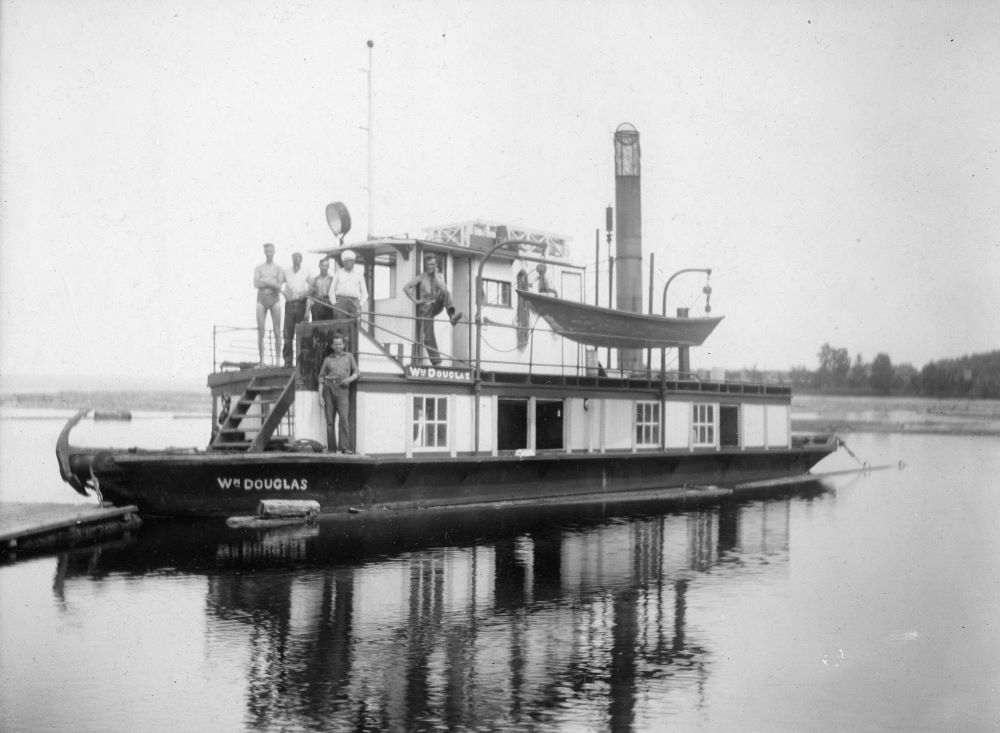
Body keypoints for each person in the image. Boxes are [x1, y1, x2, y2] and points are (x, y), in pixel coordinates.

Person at [403, 253, 463, 366]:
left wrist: (435, 276)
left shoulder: (439, 276)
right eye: (428, 264)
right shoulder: (421, 277)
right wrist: (416, 301)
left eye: (432, 264)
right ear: (425, 265)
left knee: (446, 292)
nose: (430, 267)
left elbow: (443, 289)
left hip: (436, 305)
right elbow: (405, 288)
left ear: (436, 265)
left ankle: (452, 316)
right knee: (428, 335)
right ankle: (436, 362)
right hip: (425, 308)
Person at [317, 335, 359, 453]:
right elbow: (321, 378)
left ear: (343, 345)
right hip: (328, 389)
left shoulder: (349, 357)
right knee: (330, 421)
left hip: (343, 388)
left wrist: (349, 380)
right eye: (336, 344)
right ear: (332, 346)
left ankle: (344, 447)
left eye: (340, 344)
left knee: (344, 419)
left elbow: (356, 372)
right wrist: (320, 396)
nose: (338, 346)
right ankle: (331, 448)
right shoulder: (327, 359)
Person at [254, 243, 284, 366]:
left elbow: (279, 286)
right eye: (267, 251)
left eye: (271, 251)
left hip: (274, 299)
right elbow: (256, 284)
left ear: (274, 251)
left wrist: (264, 280)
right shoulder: (259, 268)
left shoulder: (278, 268)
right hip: (261, 298)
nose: (269, 253)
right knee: (261, 330)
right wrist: (271, 282)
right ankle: (262, 361)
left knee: (277, 331)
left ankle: (277, 360)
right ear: (264, 252)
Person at [281, 252, 313, 367]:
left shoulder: (306, 271)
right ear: (292, 259)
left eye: (298, 258)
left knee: (303, 333)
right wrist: (284, 293)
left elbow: (312, 285)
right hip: (289, 304)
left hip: (301, 304)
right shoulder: (286, 272)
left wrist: (305, 294)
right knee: (287, 335)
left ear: (301, 259)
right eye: (294, 258)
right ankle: (288, 361)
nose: (296, 260)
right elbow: (278, 282)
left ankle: (302, 361)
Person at [329, 249, 368, 322]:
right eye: (346, 261)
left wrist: (360, 304)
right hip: (340, 303)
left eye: (351, 261)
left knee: (354, 326)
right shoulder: (338, 273)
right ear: (343, 262)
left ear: (354, 262)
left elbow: (365, 293)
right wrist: (335, 304)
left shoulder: (359, 275)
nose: (348, 263)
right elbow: (331, 291)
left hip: (355, 303)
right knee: (339, 327)